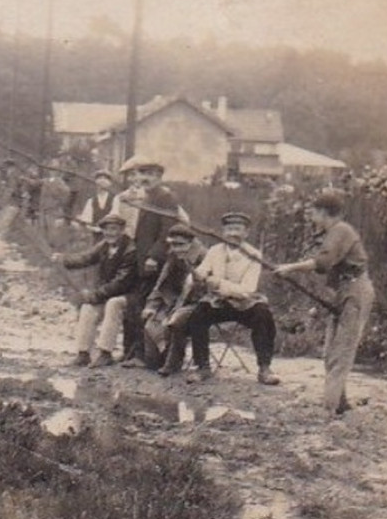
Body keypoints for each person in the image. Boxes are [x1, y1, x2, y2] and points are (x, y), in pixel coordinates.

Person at [275, 190, 375, 416]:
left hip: (355, 290)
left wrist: (290, 268)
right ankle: (339, 402)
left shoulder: (340, 230)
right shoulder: (332, 232)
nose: (310, 217)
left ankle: (329, 408)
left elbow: (323, 263)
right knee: (331, 351)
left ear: (324, 212)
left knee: (341, 351)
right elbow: (328, 269)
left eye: (313, 212)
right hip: (342, 290)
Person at [172, 212, 282, 386]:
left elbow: (247, 290)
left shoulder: (253, 255)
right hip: (219, 303)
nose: (232, 234)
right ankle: (202, 367)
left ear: (246, 233)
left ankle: (264, 368)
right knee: (198, 315)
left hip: (244, 304)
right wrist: (196, 275)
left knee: (263, 315)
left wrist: (218, 283)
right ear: (223, 232)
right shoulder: (215, 251)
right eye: (229, 229)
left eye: (237, 229)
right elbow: (202, 271)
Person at [115, 156, 188, 368]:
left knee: (145, 304)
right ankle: (132, 352)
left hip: (155, 262)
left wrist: (153, 257)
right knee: (134, 304)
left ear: (159, 177)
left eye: (150, 175)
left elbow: (167, 232)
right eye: (142, 174)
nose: (145, 179)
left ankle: (145, 355)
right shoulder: (146, 197)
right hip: (141, 259)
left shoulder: (166, 198)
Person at [52, 212, 138, 367]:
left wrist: (96, 294)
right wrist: (64, 259)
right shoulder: (104, 245)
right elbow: (86, 258)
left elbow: (122, 282)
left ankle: (105, 353)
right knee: (88, 307)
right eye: (106, 229)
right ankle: (83, 353)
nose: (110, 233)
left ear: (122, 230)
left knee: (113, 304)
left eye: (114, 229)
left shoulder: (130, 250)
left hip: (130, 295)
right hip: (108, 292)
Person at [140, 223, 207, 375]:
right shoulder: (173, 257)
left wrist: (194, 276)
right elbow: (161, 285)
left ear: (191, 243)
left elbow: (207, 289)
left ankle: (174, 362)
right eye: (173, 245)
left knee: (176, 320)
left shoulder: (204, 257)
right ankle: (161, 355)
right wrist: (151, 306)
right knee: (151, 325)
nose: (177, 249)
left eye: (181, 245)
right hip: (174, 301)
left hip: (198, 303)